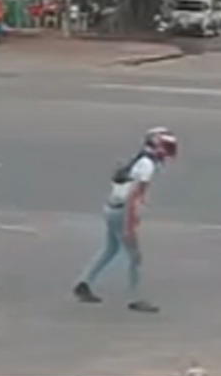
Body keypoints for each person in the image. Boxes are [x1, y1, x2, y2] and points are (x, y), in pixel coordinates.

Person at [73, 127, 178, 314]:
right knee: (135, 257)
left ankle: (84, 283)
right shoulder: (147, 167)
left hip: (111, 209)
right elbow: (132, 197)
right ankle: (135, 298)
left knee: (110, 248)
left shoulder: (138, 162)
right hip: (122, 212)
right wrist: (130, 223)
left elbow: (126, 187)